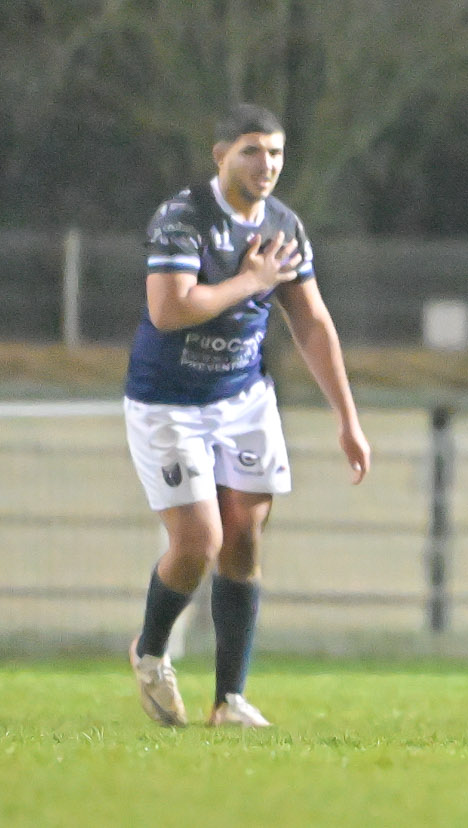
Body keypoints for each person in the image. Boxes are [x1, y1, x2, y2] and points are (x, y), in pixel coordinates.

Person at [124, 103, 371, 728]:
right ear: (221, 156)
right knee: (197, 543)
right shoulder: (182, 218)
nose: (267, 164)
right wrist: (250, 279)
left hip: (243, 399)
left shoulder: (284, 225)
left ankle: (228, 701)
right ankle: (150, 653)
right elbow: (169, 311)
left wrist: (347, 418)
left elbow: (311, 321)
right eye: (252, 151)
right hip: (169, 402)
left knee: (244, 538)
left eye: (277, 153)